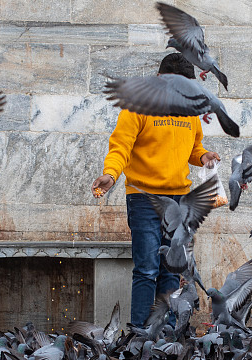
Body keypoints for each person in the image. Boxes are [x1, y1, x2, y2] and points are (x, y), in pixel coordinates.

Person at [91, 53, 221, 327]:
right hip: (144, 199)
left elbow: (194, 147)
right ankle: (140, 335)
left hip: (179, 201)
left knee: (172, 270)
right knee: (147, 269)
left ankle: (168, 333)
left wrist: (203, 157)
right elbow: (120, 147)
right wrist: (111, 174)